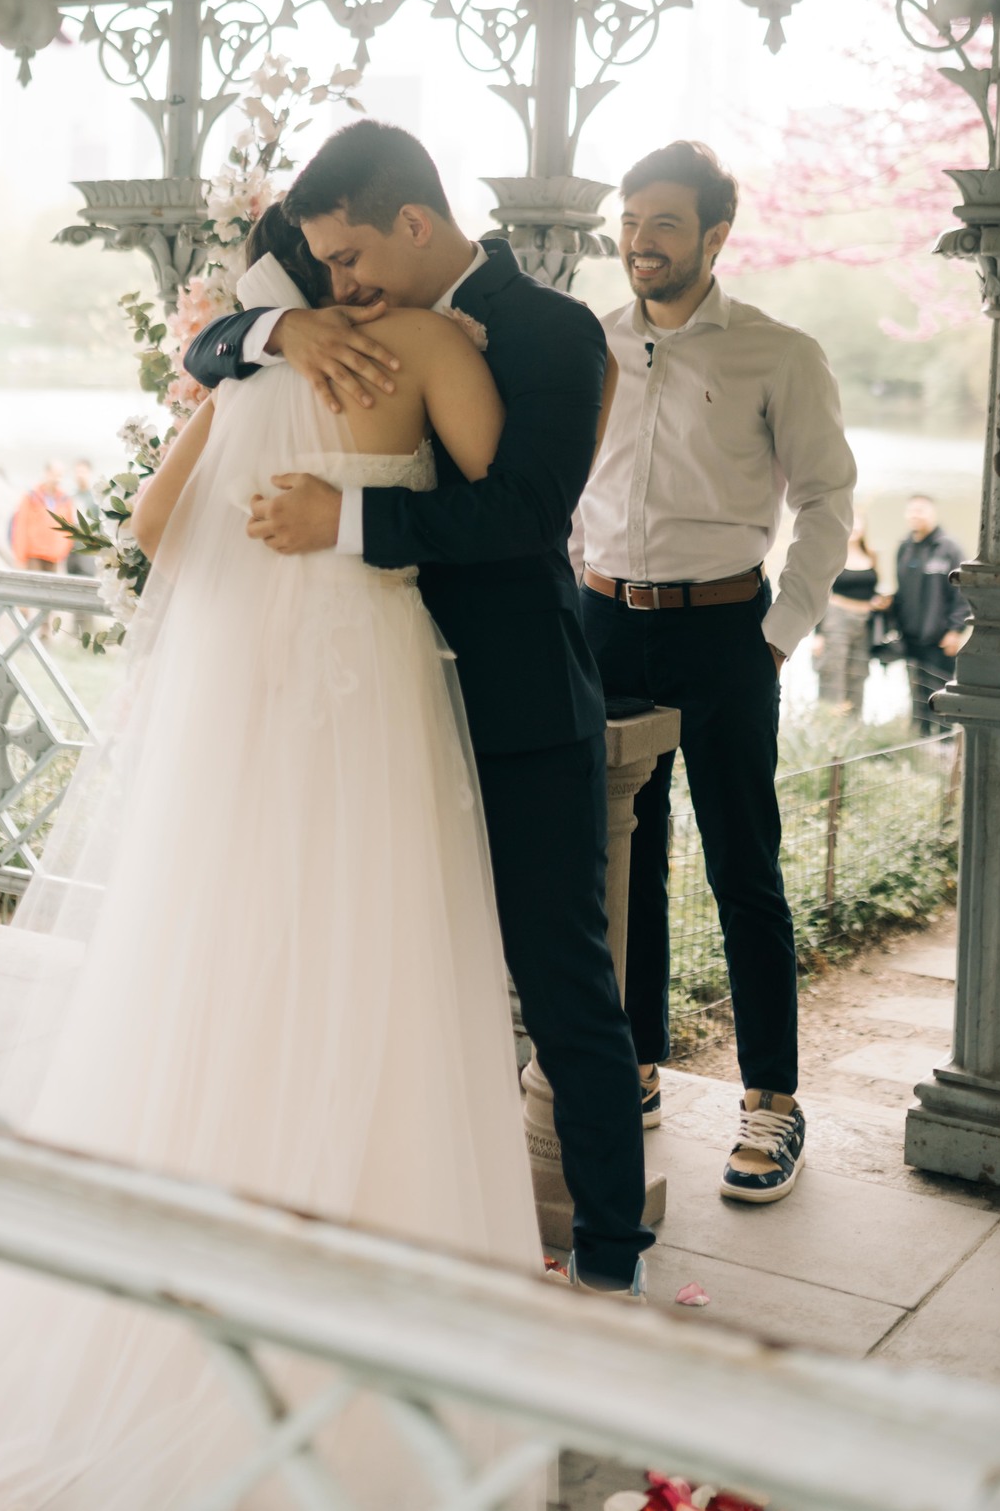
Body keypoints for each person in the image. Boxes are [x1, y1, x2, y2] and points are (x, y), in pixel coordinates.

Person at [0, 221, 551, 1509]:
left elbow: (155, 527)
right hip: (364, 691)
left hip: (243, 719)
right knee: (375, 970)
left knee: (220, 970)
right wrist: (363, 509)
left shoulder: (243, 370)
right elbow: (515, 498)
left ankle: (189, 1292)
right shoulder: (435, 344)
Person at [185, 120, 652, 1297]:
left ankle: (609, 1261)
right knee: (381, 970)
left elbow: (525, 514)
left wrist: (344, 520)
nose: (339, 286)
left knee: (562, 984)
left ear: (410, 221)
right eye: (323, 272)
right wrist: (277, 324)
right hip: (369, 711)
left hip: (515, 708)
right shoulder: (335, 313)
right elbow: (206, 354)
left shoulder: (552, 330)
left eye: (347, 261)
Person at [577, 140, 855, 1204]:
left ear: (714, 236)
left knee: (746, 865)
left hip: (725, 631)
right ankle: (636, 1066)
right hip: (606, 627)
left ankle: (772, 1102)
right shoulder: (593, 344)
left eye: (663, 224)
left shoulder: (778, 353)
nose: (640, 242)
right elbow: (570, 483)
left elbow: (827, 496)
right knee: (622, 858)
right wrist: (575, 587)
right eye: (631, 220)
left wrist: (780, 630)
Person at [889, 494, 969, 733]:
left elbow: (963, 592)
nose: (916, 515)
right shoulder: (904, 548)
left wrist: (956, 630)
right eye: (912, 510)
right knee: (916, 690)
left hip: (940, 637)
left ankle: (944, 741)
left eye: (921, 510)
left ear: (933, 513)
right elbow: (901, 591)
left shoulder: (949, 548)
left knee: (942, 691)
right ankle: (921, 738)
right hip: (910, 636)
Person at [815, 511, 882, 712]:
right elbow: (821, 594)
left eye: (858, 524)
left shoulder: (871, 555)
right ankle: (829, 728)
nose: (854, 528)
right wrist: (818, 635)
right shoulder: (832, 555)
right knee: (833, 673)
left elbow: (872, 588)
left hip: (864, 621)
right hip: (837, 619)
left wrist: (878, 600)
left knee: (859, 673)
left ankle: (854, 731)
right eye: (850, 524)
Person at [10, 460, 74, 573]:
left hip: (55, 557)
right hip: (34, 556)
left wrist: (63, 551)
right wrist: (20, 557)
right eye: (54, 474)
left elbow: (70, 528)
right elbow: (20, 527)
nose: (57, 479)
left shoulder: (66, 500)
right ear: (47, 473)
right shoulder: (31, 497)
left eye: (60, 475)